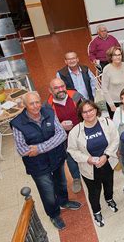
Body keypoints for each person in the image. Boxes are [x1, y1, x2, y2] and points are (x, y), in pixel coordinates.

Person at [11, 92, 81, 230]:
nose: (36, 106)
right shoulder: (18, 124)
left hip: (57, 157)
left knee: (61, 183)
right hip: (38, 166)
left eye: (38, 102)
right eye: (31, 103)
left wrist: (39, 148)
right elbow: (23, 150)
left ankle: (64, 201)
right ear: (25, 105)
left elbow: (61, 135)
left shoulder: (49, 112)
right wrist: (49, 144)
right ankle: (54, 214)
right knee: (47, 191)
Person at [67, 100, 119, 227]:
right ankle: (97, 211)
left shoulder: (106, 123)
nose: (88, 114)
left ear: (96, 110)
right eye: (84, 112)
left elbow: (115, 139)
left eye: (90, 110)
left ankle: (109, 199)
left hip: (107, 162)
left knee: (109, 183)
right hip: (89, 167)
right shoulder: (76, 131)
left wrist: (106, 155)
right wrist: (87, 159)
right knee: (94, 191)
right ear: (81, 114)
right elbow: (72, 150)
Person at [47, 78, 84, 194]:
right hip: (65, 139)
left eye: (62, 86)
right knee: (70, 158)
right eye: (56, 88)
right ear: (50, 90)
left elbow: (87, 109)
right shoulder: (47, 106)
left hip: (82, 132)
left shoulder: (76, 96)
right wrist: (60, 126)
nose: (61, 90)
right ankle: (76, 178)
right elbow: (47, 127)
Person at [101, 46, 124, 118]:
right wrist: (111, 105)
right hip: (114, 103)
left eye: (119, 55)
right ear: (111, 57)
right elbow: (104, 88)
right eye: (115, 55)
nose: (118, 57)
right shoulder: (107, 69)